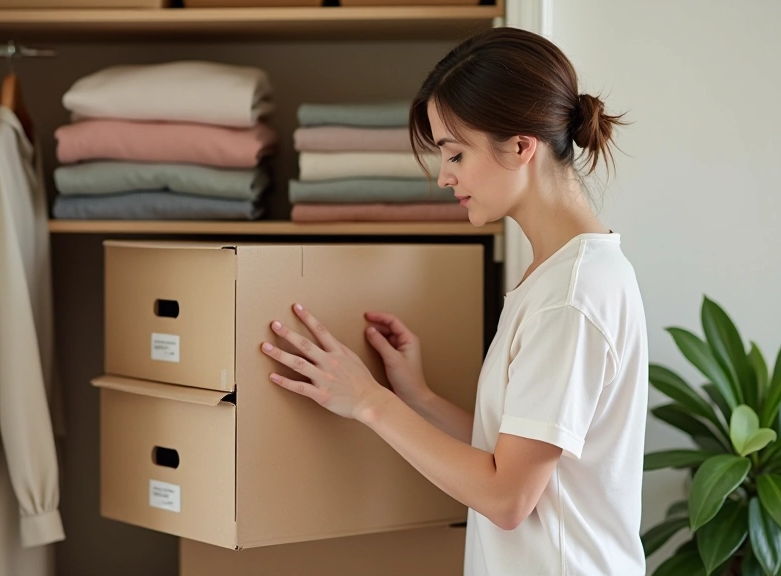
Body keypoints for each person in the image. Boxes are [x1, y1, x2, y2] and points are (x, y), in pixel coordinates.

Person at [260, 26, 648, 576]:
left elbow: (508, 499)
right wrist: (418, 397)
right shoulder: (560, 275)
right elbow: (511, 455)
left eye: (456, 154)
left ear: (520, 146)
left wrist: (371, 402)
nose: (444, 177)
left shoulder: (571, 295)